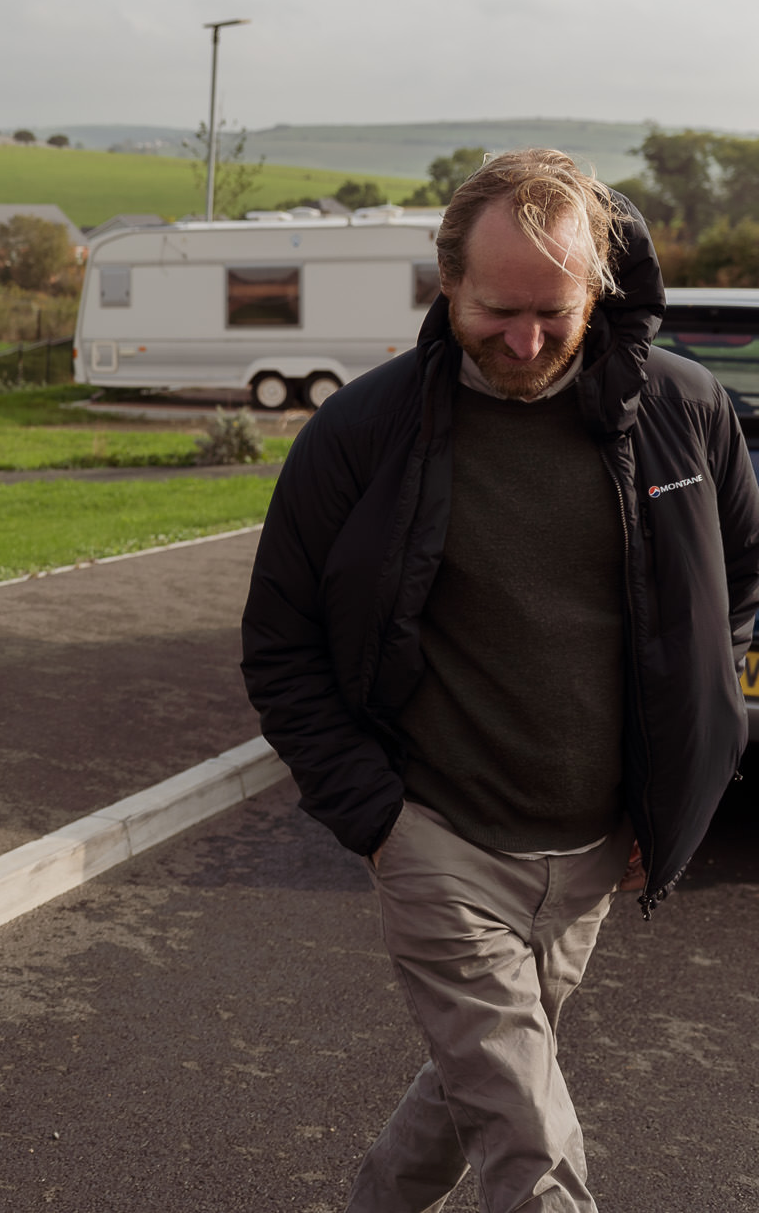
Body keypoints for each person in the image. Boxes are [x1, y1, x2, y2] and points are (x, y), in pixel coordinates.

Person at [241, 148, 759, 1211]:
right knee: (528, 1132)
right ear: (447, 286)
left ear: (595, 291)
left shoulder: (682, 410)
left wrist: (671, 783)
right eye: (495, 312)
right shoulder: (363, 433)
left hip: (592, 850)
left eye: (551, 314)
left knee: (478, 1079)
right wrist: (375, 817)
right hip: (433, 836)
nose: (522, 342)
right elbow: (279, 646)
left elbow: (734, 587)